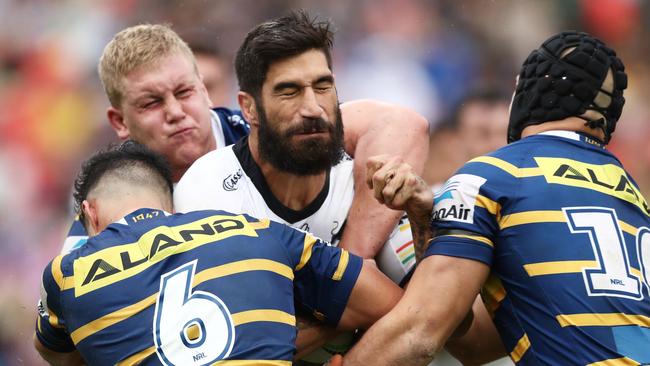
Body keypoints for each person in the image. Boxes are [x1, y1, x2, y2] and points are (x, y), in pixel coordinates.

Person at [332, 31, 650, 365]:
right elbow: (478, 344)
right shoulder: (635, 200)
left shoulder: (492, 177)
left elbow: (420, 332)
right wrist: (425, 221)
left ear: (528, 92)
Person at [61, 22, 428, 255]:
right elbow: (60, 320)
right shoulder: (117, 190)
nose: (175, 111)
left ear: (206, 92)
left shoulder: (260, 130)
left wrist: (351, 263)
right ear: (118, 121)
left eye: (185, 92)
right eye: (152, 103)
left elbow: (403, 124)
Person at [34, 142, 402, 365]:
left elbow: (62, 358)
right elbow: (389, 304)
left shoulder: (67, 272)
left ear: (90, 213)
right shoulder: (253, 228)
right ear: (170, 207)